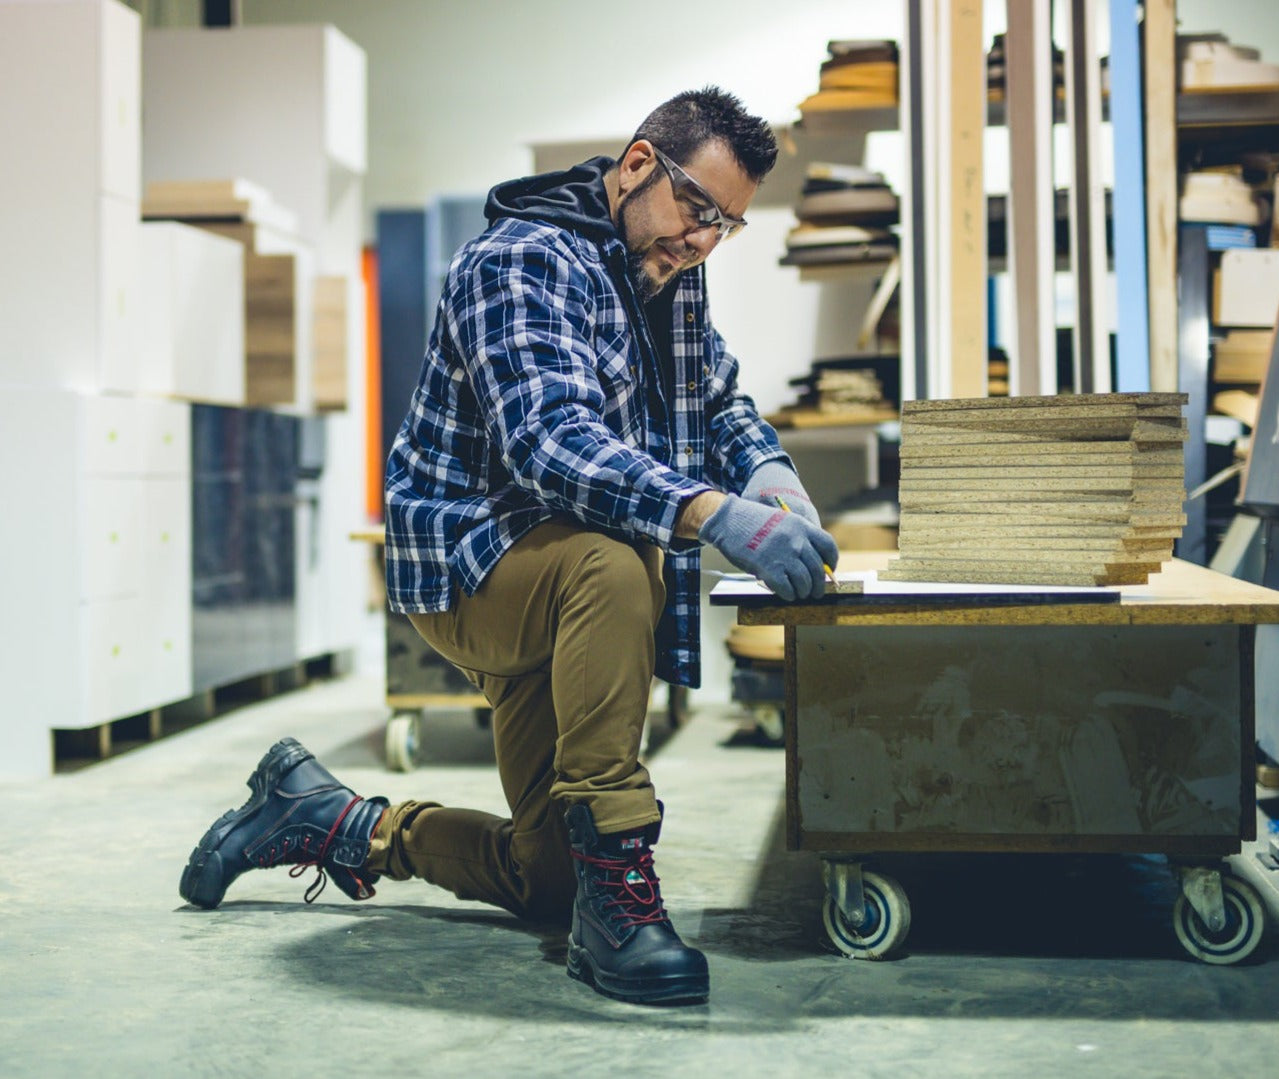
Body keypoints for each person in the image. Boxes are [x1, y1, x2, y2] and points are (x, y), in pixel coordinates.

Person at [178, 86, 838, 1006]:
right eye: (697, 208)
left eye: (726, 224)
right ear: (640, 163)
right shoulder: (519, 260)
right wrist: (711, 513)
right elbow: (551, 443)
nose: (701, 242)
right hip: (472, 564)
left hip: (555, 572)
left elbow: (717, 396)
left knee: (544, 884)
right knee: (617, 556)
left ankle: (331, 819)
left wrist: (768, 476)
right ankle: (621, 882)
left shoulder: (664, 272)